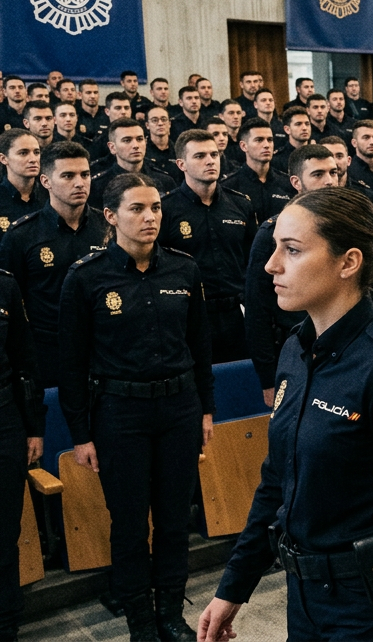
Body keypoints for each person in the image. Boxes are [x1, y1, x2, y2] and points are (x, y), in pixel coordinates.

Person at [199, 187, 373, 642]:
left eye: (292, 250)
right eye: (275, 247)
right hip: (305, 595)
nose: (271, 265)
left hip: (368, 604)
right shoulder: (296, 351)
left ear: (348, 262)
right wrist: (233, 588)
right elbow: (276, 482)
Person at [58, 173, 215, 642]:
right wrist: (81, 434)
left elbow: (200, 346)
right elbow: (71, 363)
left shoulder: (184, 269)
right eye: (137, 209)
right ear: (110, 216)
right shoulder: (86, 276)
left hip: (179, 408)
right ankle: (140, 622)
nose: (150, 217)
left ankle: (170, 611)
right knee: (129, 526)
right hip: (119, 413)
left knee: (173, 521)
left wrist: (205, 410)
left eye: (156, 208)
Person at [0, 142, 109, 391]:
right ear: (46, 181)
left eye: (85, 174)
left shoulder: (107, 228)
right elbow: (12, 302)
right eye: (68, 176)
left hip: (102, 345)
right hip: (48, 350)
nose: (80, 183)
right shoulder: (21, 235)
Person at [242, 145, 340, 404]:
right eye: (318, 174)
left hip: (343, 344)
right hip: (295, 347)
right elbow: (257, 308)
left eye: (333, 172)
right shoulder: (274, 232)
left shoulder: (349, 228)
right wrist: (267, 376)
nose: (329, 181)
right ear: (296, 182)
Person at [160, 130, 258, 364]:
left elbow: (253, 261)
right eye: (200, 156)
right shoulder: (166, 209)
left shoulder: (240, 204)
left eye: (214, 154)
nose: (210, 161)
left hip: (236, 312)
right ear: (181, 164)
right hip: (191, 314)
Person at [0, 253, 42, 642]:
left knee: (3, 531)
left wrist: (33, 428)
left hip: (3, 420)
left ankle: (6, 624)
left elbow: (25, 361)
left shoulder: (4, 284)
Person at [90, 119, 176, 205]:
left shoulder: (165, 181)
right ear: (112, 147)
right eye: (127, 140)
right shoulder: (98, 186)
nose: (135, 145)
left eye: (139, 139)